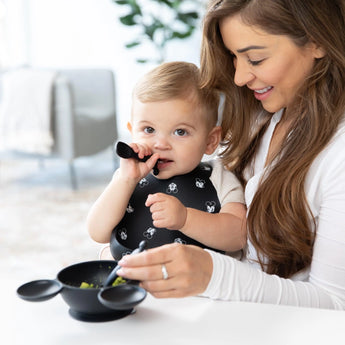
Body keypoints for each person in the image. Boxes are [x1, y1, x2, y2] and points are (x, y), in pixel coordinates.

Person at [112, 0, 345, 310]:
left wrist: (213, 275)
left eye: (256, 58)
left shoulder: (337, 158)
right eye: (233, 57)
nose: (238, 77)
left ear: (317, 40)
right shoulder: (262, 117)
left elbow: (336, 304)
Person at [87, 61, 247, 260]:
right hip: (132, 282)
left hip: (197, 285)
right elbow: (97, 233)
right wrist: (125, 181)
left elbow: (238, 236)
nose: (160, 144)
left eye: (180, 132)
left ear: (210, 140)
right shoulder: (128, 177)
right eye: (148, 130)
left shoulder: (220, 177)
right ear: (132, 131)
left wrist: (186, 219)